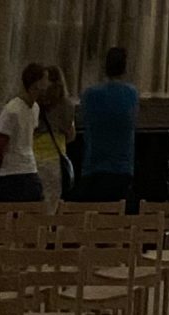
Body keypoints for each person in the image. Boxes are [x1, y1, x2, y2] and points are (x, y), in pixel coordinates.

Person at [77, 46, 140, 205]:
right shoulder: (131, 93)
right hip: (121, 167)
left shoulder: (90, 94)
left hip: (93, 166)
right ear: (125, 68)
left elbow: (83, 118)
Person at [0, 61, 47, 204]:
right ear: (36, 83)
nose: (47, 84)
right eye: (45, 79)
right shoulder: (12, 110)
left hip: (29, 168)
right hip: (12, 172)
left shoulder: (35, 108)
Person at [34, 65, 75, 213]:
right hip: (55, 160)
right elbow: (70, 135)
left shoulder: (36, 103)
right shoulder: (67, 105)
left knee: (34, 207)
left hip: (34, 158)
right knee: (52, 207)